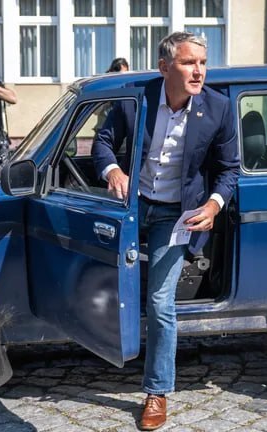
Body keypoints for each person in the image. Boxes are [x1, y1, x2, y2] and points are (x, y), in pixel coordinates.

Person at [92, 32, 239, 430]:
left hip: (176, 214)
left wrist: (213, 205)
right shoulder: (134, 98)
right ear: (164, 67)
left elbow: (229, 170)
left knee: (159, 300)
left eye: (203, 63)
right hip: (131, 207)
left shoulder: (219, 108)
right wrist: (113, 169)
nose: (199, 71)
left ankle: (157, 391)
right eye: (190, 63)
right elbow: (102, 143)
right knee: (101, 285)